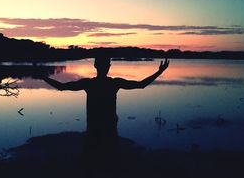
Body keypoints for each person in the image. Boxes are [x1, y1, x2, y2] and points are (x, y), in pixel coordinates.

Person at [40, 56, 169, 169]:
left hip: (96, 129)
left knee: (93, 160)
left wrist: (44, 78)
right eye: (106, 64)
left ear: (96, 66)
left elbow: (62, 87)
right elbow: (141, 85)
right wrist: (159, 72)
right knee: (108, 160)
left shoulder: (90, 84)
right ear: (108, 66)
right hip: (108, 129)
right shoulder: (113, 83)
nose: (105, 67)